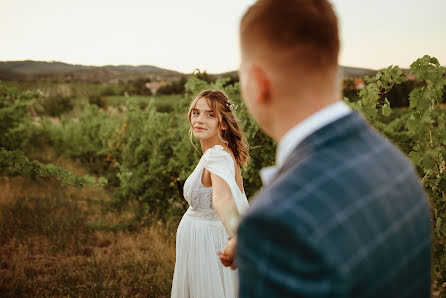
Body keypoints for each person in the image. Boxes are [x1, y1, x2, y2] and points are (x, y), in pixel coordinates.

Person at [219, 0, 432, 297]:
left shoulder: (276, 224)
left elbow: (297, 226)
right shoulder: (394, 162)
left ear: (258, 82)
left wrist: (265, 240)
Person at [171, 89, 250, 298]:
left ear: (223, 123)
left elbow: (222, 199)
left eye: (210, 115)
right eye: (196, 112)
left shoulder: (217, 156)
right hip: (201, 243)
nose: (199, 120)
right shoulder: (216, 153)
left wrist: (236, 235)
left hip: (208, 246)